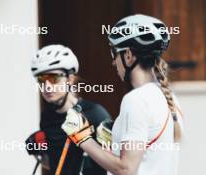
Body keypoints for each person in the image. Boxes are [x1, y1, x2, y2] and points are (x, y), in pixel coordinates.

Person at [61, 14, 184, 175]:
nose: (113, 62)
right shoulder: (169, 97)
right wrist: (115, 140)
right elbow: (150, 155)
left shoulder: (136, 100)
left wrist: (81, 137)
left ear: (128, 55)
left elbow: (126, 169)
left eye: (114, 53)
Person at [27, 44, 111, 175]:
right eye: (41, 79)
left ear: (70, 79)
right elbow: (56, 163)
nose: (47, 86)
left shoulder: (95, 114)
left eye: (53, 78)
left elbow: (116, 165)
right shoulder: (47, 117)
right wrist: (37, 152)